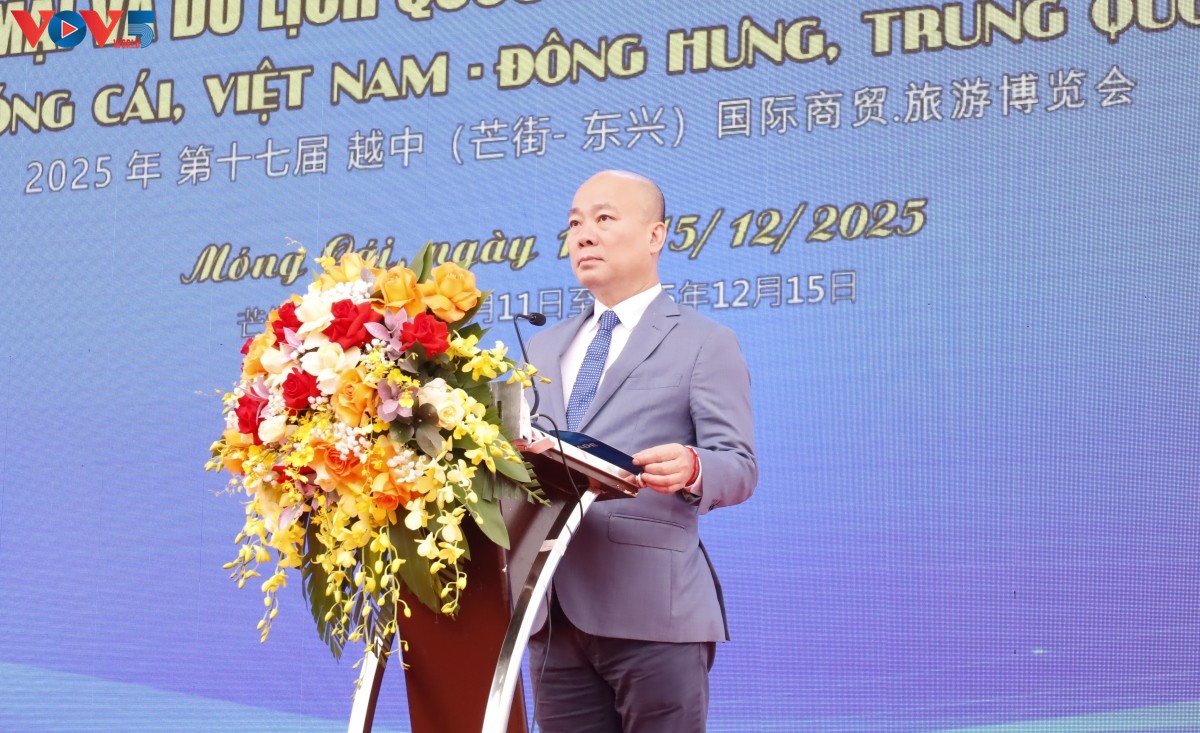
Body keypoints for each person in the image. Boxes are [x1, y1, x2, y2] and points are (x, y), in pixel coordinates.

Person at [524, 170, 757, 733]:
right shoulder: (541, 346)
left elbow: (740, 465)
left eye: (604, 218)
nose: (583, 235)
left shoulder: (704, 342)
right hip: (553, 612)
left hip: (654, 611)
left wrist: (694, 466)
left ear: (656, 236)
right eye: (574, 223)